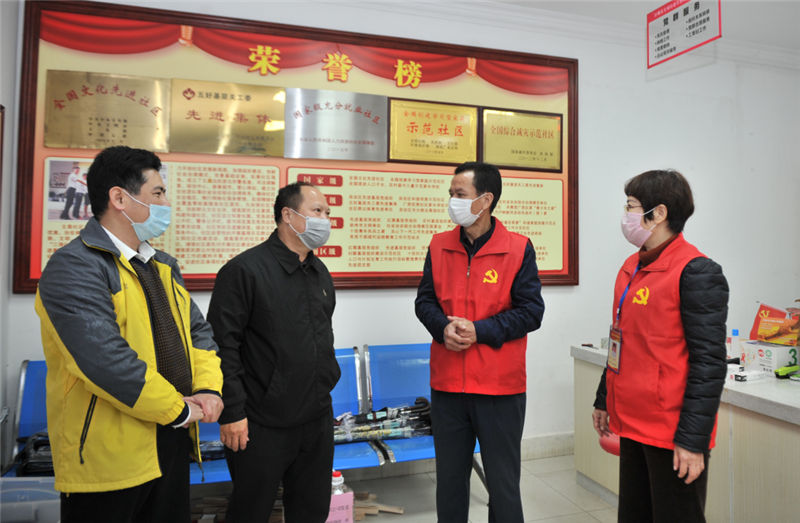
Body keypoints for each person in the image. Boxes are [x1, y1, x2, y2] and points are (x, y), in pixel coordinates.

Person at [35, 146, 224, 523]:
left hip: (172, 438)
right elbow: (105, 361)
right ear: (119, 198)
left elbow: (198, 335)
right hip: (110, 458)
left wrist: (208, 389)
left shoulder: (162, 265)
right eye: (158, 193)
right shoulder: (74, 267)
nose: (166, 203)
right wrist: (178, 409)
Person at [592, 169, 728, 523]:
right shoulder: (632, 266)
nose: (626, 215)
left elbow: (709, 364)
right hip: (632, 420)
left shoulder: (696, 272)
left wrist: (692, 440)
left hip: (671, 430)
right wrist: (604, 398)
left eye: (631, 206)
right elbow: (620, 340)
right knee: (634, 515)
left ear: (659, 213)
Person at [415, 161, 545, 523]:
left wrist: (480, 331)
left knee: (503, 485)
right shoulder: (439, 245)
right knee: (450, 482)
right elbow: (424, 302)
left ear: (485, 200)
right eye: (451, 193)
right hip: (448, 387)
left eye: (460, 194)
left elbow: (531, 312)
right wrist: (442, 328)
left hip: (499, 389)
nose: (452, 201)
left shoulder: (518, 248)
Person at [207, 181, 341, 523]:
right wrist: (232, 412)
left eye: (327, 213)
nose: (325, 220)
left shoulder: (319, 272)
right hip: (260, 422)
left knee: (312, 510)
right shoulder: (244, 271)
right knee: (251, 511)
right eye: (317, 211)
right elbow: (222, 347)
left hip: (316, 416)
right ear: (288, 215)